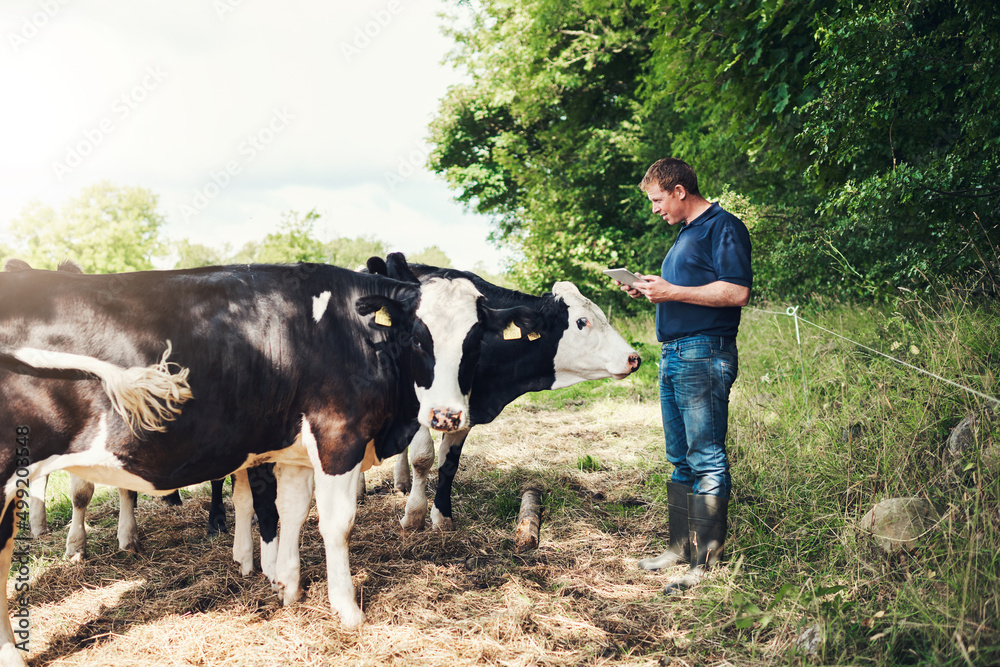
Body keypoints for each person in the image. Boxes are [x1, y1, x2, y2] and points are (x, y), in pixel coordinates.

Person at [617, 157, 752, 595]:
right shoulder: (685, 235)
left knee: (706, 457)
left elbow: (736, 291)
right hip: (674, 353)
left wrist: (671, 290)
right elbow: (688, 293)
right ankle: (678, 547)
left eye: (657, 200)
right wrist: (648, 290)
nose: (655, 208)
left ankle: (704, 564)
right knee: (679, 458)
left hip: (703, 353)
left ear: (679, 191)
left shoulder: (722, 226)